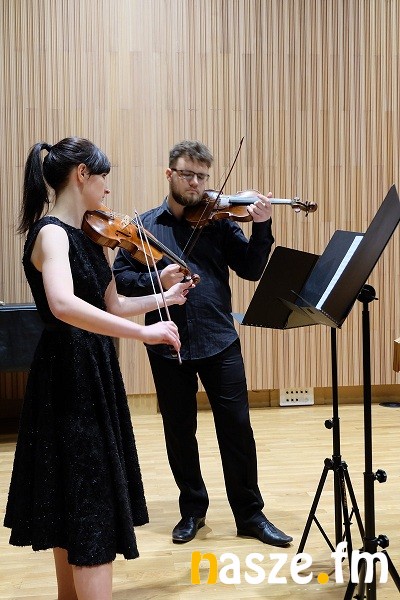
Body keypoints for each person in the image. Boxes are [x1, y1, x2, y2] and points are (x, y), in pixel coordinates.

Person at [3, 137, 192, 600]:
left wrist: (164, 297)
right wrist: (146, 334)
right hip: (66, 376)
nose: (108, 189)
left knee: (79, 497)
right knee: (88, 500)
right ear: (82, 174)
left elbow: (113, 304)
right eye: (103, 177)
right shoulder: (51, 234)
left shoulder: (92, 237)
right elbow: (63, 304)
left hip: (94, 372)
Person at [113, 140, 293, 547]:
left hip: (219, 339)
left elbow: (250, 269)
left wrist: (262, 226)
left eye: (202, 176)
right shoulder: (143, 227)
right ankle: (193, 509)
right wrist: (157, 280)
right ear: (169, 174)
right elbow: (121, 281)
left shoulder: (219, 221)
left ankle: (249, 514)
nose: (196, 183)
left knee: (237, 429)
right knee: (180, 431)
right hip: (167, 343)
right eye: (187, 174)